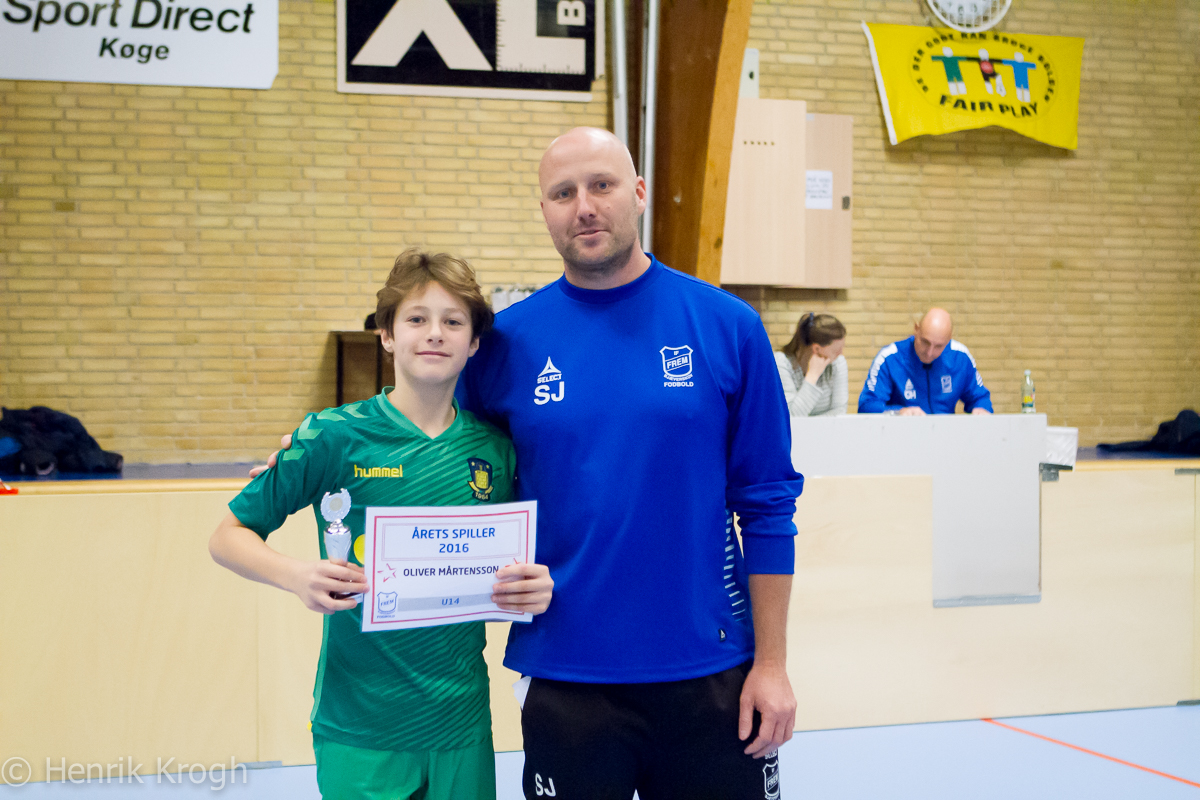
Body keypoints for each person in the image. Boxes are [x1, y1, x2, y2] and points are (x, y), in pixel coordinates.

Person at [259, 128, 805, 800]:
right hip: (566, 676)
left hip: (711, 668)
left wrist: (772, 663)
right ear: (544, 209)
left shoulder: (726, 325)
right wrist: (314, 450)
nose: (585, 207)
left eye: (602, 186)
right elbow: (436, 447)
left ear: (638, 193)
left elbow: (768, 504)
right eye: (563, 193)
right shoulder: (508, 345)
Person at [213, 249, 554, 800]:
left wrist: (532, 586)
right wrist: (297, 576)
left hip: (461, 725)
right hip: (360, 727)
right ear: (387, 335)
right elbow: (227, 536)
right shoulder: (332, 436)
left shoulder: (495, 449)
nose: (434, 333)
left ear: (474, 342)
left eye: (453, 322)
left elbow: (519, 559)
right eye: (416, 318)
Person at [857, 307, 993, 415]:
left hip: (945, 437)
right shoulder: (890, 358)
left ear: (949, 339)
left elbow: (980, 398)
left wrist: (981, 410)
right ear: (916, 329)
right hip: (902, 436)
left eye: (939, 346)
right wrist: (899, 412)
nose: (929, 352)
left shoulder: (960, 357)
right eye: (925, 342)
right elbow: (867, 406)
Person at [775, 312, 848, 417]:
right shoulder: (782, 363)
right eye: (836, 350)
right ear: (816, 349)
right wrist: (812, 377)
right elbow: (791, 416)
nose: (840, 354)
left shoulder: (838, 362)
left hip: (824, 428)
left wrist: (810, 424)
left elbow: (840, 411)